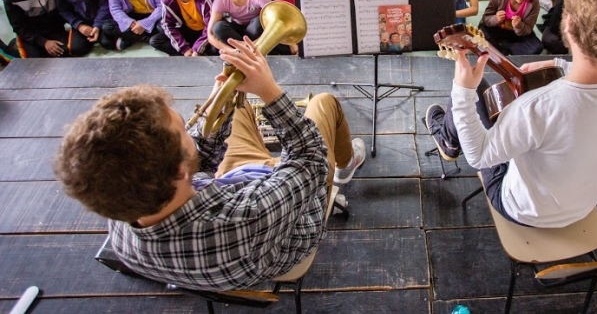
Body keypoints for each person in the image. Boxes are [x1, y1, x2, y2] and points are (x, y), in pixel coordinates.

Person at [54, 38, 366, 290]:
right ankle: (347, 162)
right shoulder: (243, 218)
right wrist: (269, 91)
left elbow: (196, 158)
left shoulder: (121, 215)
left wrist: (222, 96)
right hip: (278, 228)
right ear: (178, 169)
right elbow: (309, 158)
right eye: (183, 128)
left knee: (239, 102)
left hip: (229, 193)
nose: (191, 126)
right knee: (323, 103)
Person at [425, 0, 597, 228]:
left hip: (522, 209)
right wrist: (559, 64)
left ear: (568, 25)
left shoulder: (537, 108)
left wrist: (462, 91)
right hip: (582, 205)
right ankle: (449, 135)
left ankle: (447, 139)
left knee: (476, 89)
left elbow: (478, 155)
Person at [150, 0, 216, 57]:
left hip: (206, 32)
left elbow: (211, 25)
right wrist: (184, 48)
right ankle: (189, 53)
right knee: (155, 40)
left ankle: (197, 51)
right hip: (188, 31)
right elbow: (168, 25)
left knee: (216, 46)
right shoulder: (167, 0)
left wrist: (197, 48)